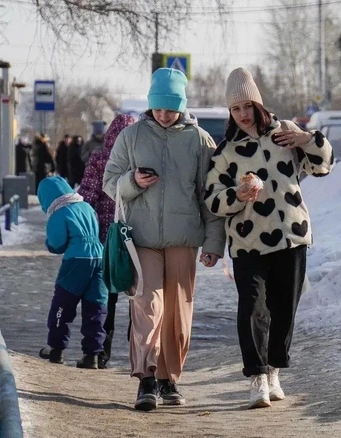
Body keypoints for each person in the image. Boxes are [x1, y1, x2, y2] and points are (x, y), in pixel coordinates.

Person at [204, 67, 334, 409]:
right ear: (230, 113)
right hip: (249, 243)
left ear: (258, 105)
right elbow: (212, 200)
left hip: (292, 236)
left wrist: (307, 139)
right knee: (252, 308)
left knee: (284, 309)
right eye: (236, 109)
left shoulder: (286, 133)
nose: (243, 114)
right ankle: (257, 377)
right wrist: (238, 195)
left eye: (247, 106)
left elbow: (324, 165)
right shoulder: (226, 152)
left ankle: (274, 370)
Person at [103, 68, 225, 411]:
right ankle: (146, 378)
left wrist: (214, 242)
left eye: (170, 110)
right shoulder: (131, 136)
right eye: (158, 109)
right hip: (141, 238)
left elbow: (210, 196)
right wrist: (133, 181)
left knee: (177, 312)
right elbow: (110, 183)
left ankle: (169, 379)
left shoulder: (200, 141)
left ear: (181, 107)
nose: (163, 115)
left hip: (184, 239)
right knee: (148, 305)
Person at [78, 113, 135, 369]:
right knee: (140, 299)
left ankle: (100, 353)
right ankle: (139, 355)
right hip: (137, 239)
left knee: (105, 299)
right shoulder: (140, 160)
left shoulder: (100, 159)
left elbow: (87, 197)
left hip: (105, 240)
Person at [36, 176, 108, 369]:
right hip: (99, 258)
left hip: (76, 260)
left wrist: (50, 244)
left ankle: (56, 349)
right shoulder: (86, 207)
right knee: (96, 305)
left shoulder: (60, 213)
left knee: (63, 303)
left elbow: (56, 243)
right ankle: (91, 355)